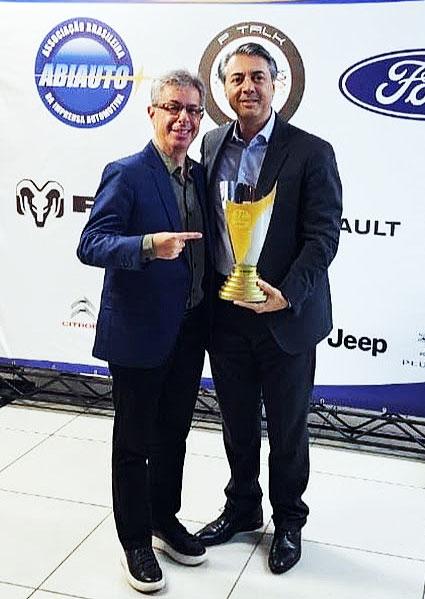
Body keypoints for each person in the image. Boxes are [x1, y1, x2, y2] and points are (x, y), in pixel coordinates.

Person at [195, 43, 342, 574]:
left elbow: (323, 237)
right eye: (236, 79)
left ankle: (289, 521)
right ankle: (242, 508)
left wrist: (288, 293)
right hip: (227, 314)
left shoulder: (311, 151)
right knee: (236, 422)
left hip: (285, 316)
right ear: (224, 88)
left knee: (287, 428)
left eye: (257, 77)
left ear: (275, 84)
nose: (247, 88)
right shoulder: (211, 144)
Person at [77, 70, 211, 593]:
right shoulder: (127, 173)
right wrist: (148, 245)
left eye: (193, 110)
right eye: (173, 107)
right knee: (134, 442)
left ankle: (163, 519)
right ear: (153, 112)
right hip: (138, 332)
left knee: (174, 433)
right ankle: (134, 540)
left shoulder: (199, 175)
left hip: (190, 330)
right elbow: (91, 243)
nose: (184, 119)